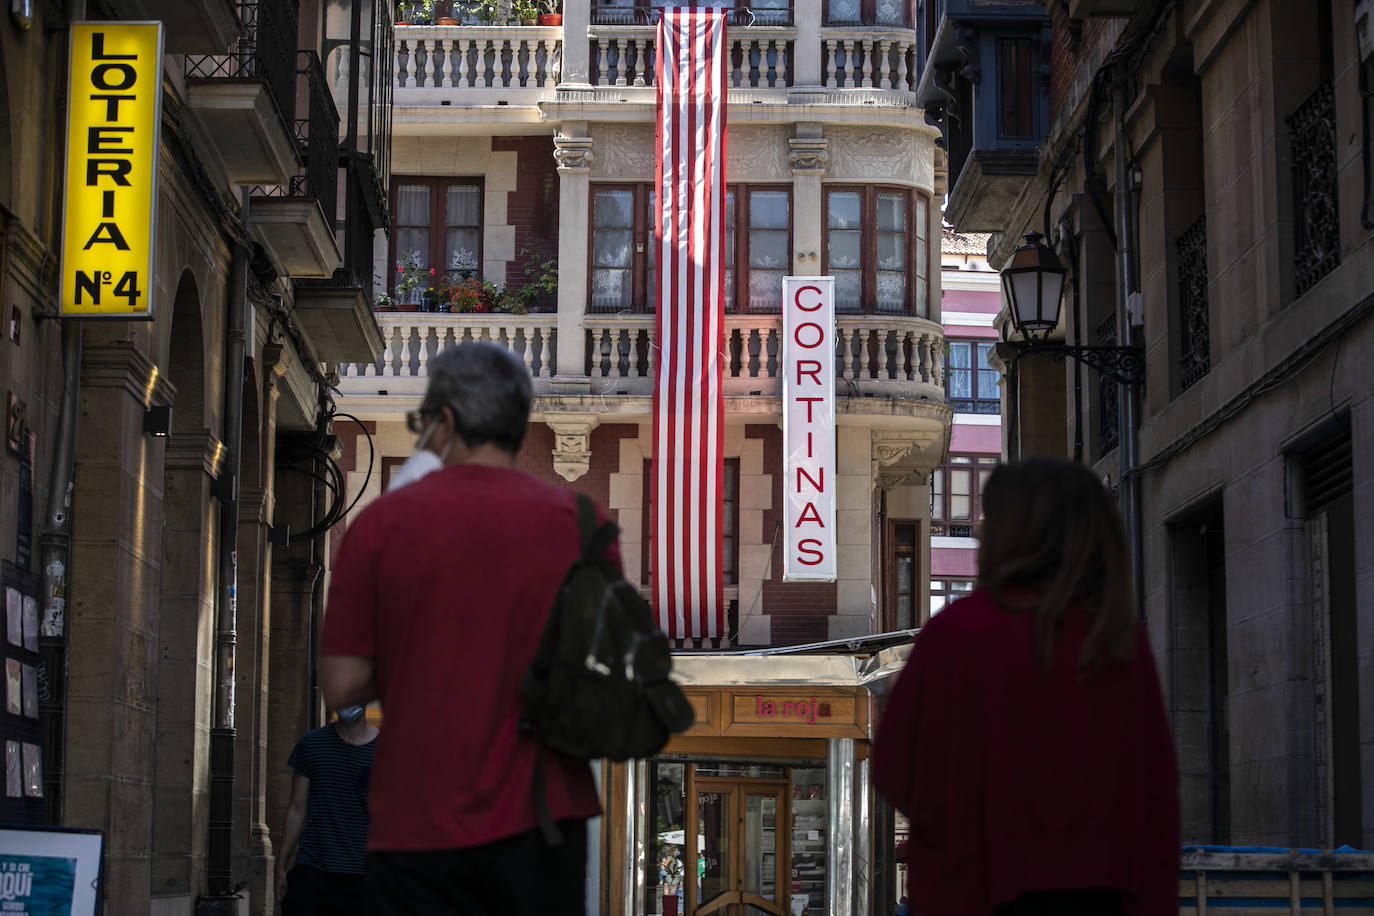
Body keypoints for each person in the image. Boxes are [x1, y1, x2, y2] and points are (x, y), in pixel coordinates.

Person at [319, 342, 614, 914]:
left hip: (418, 821)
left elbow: (342, 684)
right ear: (517, 421)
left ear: (444, 423)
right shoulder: (584, 526)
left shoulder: (381, 525)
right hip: (545, 819)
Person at [871, 458, 1179, 916]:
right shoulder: (1115, 641)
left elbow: (893, 770)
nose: (977, 528)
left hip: (969, 893)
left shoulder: (955, 635)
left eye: (988, 517)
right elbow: (1155, 800)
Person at [275, 705, 379, 914]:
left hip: (365, 876)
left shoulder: (387, 750)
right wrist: (281, 865)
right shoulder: (312, 744)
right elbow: (296, 809)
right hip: (313, 873)